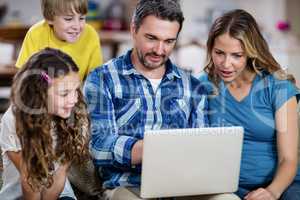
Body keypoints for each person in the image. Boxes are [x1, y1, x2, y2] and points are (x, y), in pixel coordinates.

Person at [83, 0, 240, 200]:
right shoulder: (102, 78)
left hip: (183, 186)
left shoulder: (193, 86)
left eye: (169, 41)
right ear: (133, 29)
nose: (159, 50)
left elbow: (201, 149)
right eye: (151, 38)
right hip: (128, 186)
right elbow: (98, 146)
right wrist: (148, 149)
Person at [201, 9, 300, 200]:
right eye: (219, 53)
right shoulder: (204, 86)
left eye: (236, 55)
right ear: (210, 49)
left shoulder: (277, 86)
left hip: (282, 184)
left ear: (251, 52)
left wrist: (272, 192)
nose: (226, 64)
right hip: (227, 187)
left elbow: (288, 159)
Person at [0, 48, 90, 200]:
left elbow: (60, 172)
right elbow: (30, 179)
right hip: (19, 195)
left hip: (58, 193)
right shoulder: (15, 119)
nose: (74, 99)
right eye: (64, 93)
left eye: (75, 90)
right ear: (40, 92)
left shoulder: (72, 114)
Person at [15, 0, 103, 80]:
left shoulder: (91, 35)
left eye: (81, 18)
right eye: (68, 19)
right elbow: (23, 78)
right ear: (50, 18)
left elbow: (96, 81)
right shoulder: (35, 34)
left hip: (75, 95)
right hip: (41, 95)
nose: (77, 26)